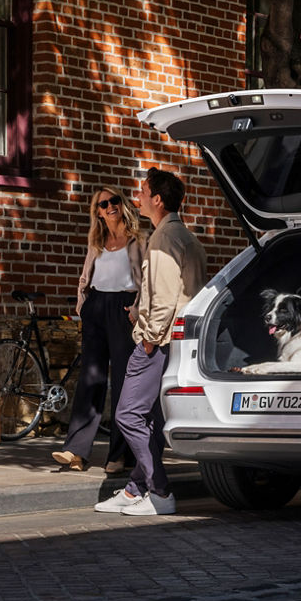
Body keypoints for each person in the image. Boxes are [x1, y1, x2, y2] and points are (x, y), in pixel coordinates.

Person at [94, 168, 207, 515]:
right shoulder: (186, 236)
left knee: (128, 414)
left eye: (143, 191)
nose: (138, 196)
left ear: (157, 199)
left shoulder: (162, 240)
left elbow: (165, 299)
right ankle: (135, 489)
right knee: (152, 419)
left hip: (156, 343)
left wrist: (147, 340)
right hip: (177, 341)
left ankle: (159, 491)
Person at [51, 186, 144, 473]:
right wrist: (83, 303)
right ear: (98, 213)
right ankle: (76, 451)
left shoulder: (138, 240)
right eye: (103, 205)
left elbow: (148, 278)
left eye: (113, 201)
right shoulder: (97, 240)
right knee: (90, 380)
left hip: (124, 308)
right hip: (96, 307)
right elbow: (85, 274)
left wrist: (139, 308)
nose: (109, 207)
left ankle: (120, 455)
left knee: (122, 382)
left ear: (122, 204)